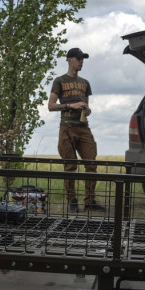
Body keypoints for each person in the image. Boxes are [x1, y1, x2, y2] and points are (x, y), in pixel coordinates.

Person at [48, 47, 105, 213]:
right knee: (70, 166)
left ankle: (90, 201)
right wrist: (70, 105)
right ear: (69, 59)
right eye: (79, 58)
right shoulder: (59, 81)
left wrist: (87, 110)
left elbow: (86, 105)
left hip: (83, 128)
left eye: (83, 59)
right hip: (67, 127)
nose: (81, 62)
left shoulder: (85, 83)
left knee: (91, 164)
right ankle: (72, 201)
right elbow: (51, 106)